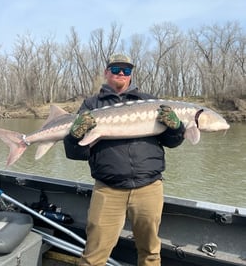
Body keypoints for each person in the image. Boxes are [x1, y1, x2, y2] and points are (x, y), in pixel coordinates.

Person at [64, 53, 185, 266]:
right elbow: (75, 153)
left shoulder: (150, 101)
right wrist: (74, 136)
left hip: (149, 187)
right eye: (116, 69)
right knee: (93, 255)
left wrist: (177, 128)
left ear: (131, 75)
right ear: (106, 72)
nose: (121, 73)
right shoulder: (91, 104)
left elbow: (171, 142)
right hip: (108, 189)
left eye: (126, 70)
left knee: (150, 252)